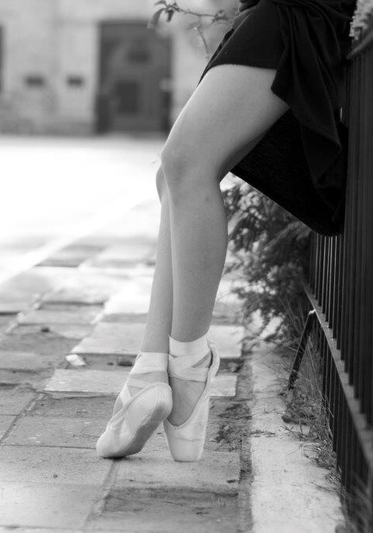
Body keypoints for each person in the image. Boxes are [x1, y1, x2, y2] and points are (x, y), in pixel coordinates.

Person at [97, 0, 356, 461]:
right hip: (279, 18)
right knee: (173, 177)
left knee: (186, 164)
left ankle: (188, 366)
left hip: (290, 17)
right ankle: (150, 370)